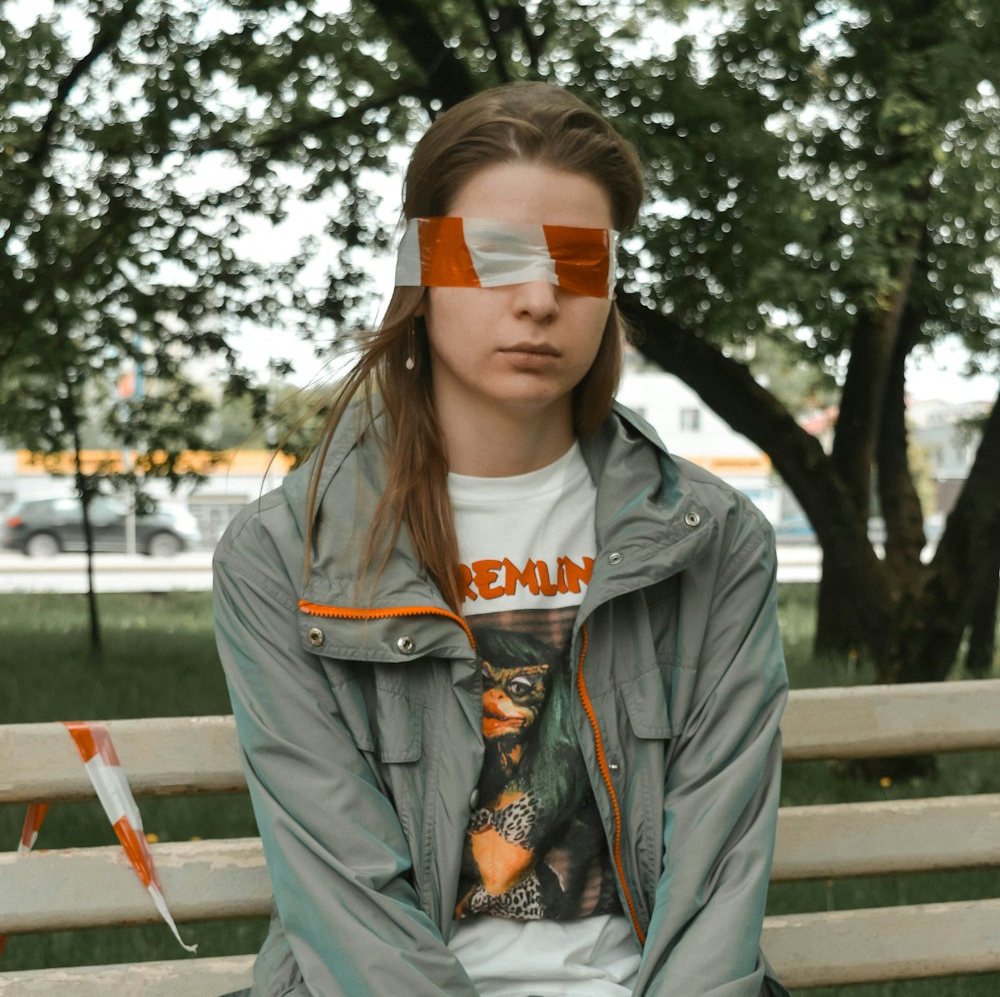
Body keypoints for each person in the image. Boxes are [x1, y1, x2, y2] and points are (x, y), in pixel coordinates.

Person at [214, 81, 790, 997]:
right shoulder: (285, 556)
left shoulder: (712, 540)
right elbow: (345, 900)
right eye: (494, 256)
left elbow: (719, 874)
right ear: (422, 270)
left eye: (579, 260)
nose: (540, 296)